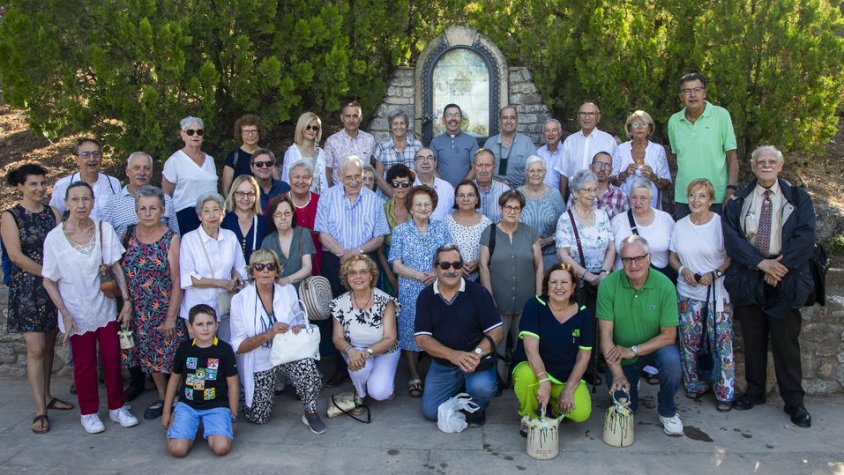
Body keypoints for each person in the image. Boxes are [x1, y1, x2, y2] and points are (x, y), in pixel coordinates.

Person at [723, 145, 815, 428]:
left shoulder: (798, 198)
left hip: (786, 277)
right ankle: (754, 391)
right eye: (760, 161)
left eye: (771, 161)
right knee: (753, 339)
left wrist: (778, 267)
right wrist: (761, 264)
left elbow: (806, 236)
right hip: (751, 276)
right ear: (753, 167)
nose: (766, 165)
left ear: (780, 165)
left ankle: (794, 401)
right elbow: (732, 239)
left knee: (786, 343)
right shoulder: (739, 200)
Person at [41, 181, 139, 434]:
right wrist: (64, 313)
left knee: (112, 358)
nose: (81, 204)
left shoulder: (104, 229)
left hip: (104, 307)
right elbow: (49, 280)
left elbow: (116, 266)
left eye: (86, 199)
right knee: (84, 364)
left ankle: (117, 407)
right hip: (76, 310)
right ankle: (89, 412)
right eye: (75, 199)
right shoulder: (54, 239)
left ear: (93, 202)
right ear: (66, 203)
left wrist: (126, 301)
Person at [2, 164, 71, 434]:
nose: (40, 188)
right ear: (20, 186)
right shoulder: (10, 216)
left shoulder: (53, 213)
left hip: (53, 288)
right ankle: (40, 410)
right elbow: (15, 256)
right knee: (36, 348)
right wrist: (47, 274)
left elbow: (62, 246)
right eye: (33, 184)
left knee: (50, 344)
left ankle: (48, 395)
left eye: (43, 183)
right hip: (28, 288)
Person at [229, 250, 326, 432]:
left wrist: (297, 327)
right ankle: (260, 393)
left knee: (308, 369)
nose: (265, 270)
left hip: (288, 353)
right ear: (252, 272)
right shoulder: (240, 300)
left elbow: (298, 320)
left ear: (276, 271)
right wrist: (268, 334)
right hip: (260, 359)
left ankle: (310, 411)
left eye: (270, 266)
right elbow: (238, 347)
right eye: (260, 266)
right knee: (259, 417)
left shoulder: (287, 291)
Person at [314, 155, 389, 387]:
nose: (355, 181)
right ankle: (342, 366)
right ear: (339, 176)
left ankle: (368, 360)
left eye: (358, 176)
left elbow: (379, 237)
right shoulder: (327, 197)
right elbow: (322, 233)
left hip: (365, 262)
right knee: (339, 312)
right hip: (335, 261)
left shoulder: (374, 200)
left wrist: (356, 253)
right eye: (349, 177)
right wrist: (344, 254)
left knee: (365, 309)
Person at [597, 235, 683, 437]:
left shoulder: (665, 285)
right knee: (626, 406)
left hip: (653, 349)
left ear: (649, 257)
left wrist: (633, 350)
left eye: (639, 258)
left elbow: (669, 336)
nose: (633, 264)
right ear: (621, 261)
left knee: (672, 362)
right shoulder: (608, 285)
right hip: (621, 354)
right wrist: (618, 374)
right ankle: (629, 380)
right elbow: (605, 336)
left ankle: (668, 410)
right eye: (627, 259)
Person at [416, 244, 504, 426]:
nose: (452, 270)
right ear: (435, 269)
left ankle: (477, 405)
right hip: (443, 363)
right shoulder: (426, 296)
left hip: (475, 361)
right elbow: (422, 339)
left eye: (457, 265)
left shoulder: (479, 293)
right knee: (431, 412)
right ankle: (461, 391)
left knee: (482, 389)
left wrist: (476, 354)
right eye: (445, 265)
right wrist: (453, 355)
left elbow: (497, 331)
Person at [120, 185, 187, 420]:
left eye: (153, 208)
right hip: (138, 310)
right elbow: (120, 268)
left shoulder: (171, 238)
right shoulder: (129, 234)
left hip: (164, 308)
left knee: (172, 356)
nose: (147, 213)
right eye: (142, 208)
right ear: (136, 210)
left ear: (162, 210)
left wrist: (171, 317)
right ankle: (162, 397)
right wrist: (126, 302)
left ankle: (178, 399)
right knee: (149, 357)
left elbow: (178, 280)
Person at [669, 178, 733, 412]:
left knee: (721, 342)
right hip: (688, 291)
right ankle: (694, 383)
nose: (696, 200)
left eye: (702, 196)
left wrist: (715, 273)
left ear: (711, 200)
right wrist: (683, 270)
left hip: (716, 292)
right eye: (692, 195)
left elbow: (731, 256)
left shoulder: (720, 224)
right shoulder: (680, 225)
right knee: (689, 342)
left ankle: (724, 391)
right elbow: (673, 256)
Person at [511, 264, 593, 437]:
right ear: (546, 286)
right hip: (535, 370)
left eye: (564, 282)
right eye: (553, 282)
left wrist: (569, 389)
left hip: (564, 375)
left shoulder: (583, 314)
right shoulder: (535, 305)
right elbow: (530, 349)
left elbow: (584, 355)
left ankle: (553, 404)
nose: (558, 287)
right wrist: (543, 379)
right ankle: (530, 416)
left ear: (573, 287)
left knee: (581, 412)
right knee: (526, 377)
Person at [389, 185, 452, 397]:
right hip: (410, 290)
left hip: (438, 288)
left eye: (427, 204)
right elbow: (396, 265)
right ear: (410, 207)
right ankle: (414, 374)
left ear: (433, 206)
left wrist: (437, 274)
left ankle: (437, 374)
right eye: (419, 205)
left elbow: (449, 257)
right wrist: (419, 275)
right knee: (409, 330)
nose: (423, 208)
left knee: (439, 329)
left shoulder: (441, 228)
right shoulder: (400, 231)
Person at [479, 190, 543, 381]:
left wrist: (539, 296)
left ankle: (521, 381)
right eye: (508, 207)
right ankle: (499, 380)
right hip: (499, 300)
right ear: (501, 209)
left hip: (526, 301)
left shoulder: (530, 232)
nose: (512, 211)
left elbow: (539, 265)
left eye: (517, 208)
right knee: (498, 343)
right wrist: (489, 297)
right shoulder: (489, 232)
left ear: (521, 211)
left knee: (524, 344)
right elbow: (483, 265)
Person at [162, 305, 239, 457]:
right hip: (188, 405)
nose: (205, 328)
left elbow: (233, 385)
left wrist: (234, 417)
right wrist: (166, 412)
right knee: (177, 450)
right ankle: (179, 420)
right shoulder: (184, 348)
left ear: (216, 325)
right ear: (190, 327)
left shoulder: (224, 350)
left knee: (221, 448)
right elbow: (174, 381)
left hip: (216, 406)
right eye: (199, 324)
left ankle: (210, 425)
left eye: (209, 323)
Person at [668, 72, 738, 219]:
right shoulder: (674, 121)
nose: (692, 95)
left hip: (715, 196)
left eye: (697, 89)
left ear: (704, 93)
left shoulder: (721, 115)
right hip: (685, 198)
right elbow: (679, 156)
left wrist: (731, 189)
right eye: (687, 91)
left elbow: (732, 157)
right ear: (681, 96)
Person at [179, 193, 247, 343]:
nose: (212, 215)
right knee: (201, 353)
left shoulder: (230, 237)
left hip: (226, 308)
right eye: (206, 211)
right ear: (199, 216)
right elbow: (188, 278)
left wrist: (237, 274)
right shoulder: (189, 239)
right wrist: (221, 283)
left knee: (226, 350)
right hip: (198, 310)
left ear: (223, 213)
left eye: (216, 209)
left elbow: (241, 268)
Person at [331, 255, 400, 402]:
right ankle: (360, 393)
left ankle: (381, 385)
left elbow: (390, 338)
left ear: (371, 275)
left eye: (363, 272)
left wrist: (366, 353)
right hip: (355, 349)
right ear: (346, 277)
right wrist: (351, 351)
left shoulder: (385, 301)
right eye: (352, 272)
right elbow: (337, 338)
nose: (358, 276)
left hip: (385, 351)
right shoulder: (339, 303)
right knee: (359, 370)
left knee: (379, 393)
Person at [555, 170, 615, 314]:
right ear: (575, 193)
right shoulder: (565, 219)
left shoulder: (602, 215)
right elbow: (562, 254)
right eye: (588, 190)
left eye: (595, 190)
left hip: (602, 283)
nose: (592, 194)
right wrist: (588, 276)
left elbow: (611, 248)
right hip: (577, 285)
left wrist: (604, 273)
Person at [102, 151, 180, 238]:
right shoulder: (113, 203)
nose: (142, 173)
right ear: (127, 171)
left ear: (151, 172)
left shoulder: (165, 200)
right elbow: (104, 238)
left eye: (146, 168)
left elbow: (176, 236)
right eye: (137, 168)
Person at [162, 117, 218, 234]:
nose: (195, 135)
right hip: (185, 216)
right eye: (190, 132)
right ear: (182, 135)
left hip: (211, 216)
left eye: (199, 132)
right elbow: (166, 194)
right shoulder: (174, 161)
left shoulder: (210, 160)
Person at [610, 178, 674, 275]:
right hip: (624, 277)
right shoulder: (618, 221)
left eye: (643, 198)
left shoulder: (665, 219)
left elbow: (674, 252)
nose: (638, 202)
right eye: (634, 197)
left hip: (657, 278)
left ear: (651, 200)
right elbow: (609, 252)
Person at [556, 102, 618, 200]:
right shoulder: (570, 141)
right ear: (578, 117)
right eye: (583, 113)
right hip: (574, 195)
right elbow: (563, 174)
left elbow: (613, 173)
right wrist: (562, 201)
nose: (587, 117)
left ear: (598, 117)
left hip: (599, 196)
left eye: (591, 114)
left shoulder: (608, 141)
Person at [49, 138, 121, 220]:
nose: (92, 159)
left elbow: (119, 215)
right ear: (77, 159)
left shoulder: (113, 184)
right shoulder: (63, 185)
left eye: (96, 154)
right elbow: (54, 217)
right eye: (86, 155)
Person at [613, 111, 671, 210]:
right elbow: (611, 181)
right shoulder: (621, 149)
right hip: (624, 206)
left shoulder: (658, 150)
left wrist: (652, 176)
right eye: (635, 124)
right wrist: (625, 173)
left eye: (644, 124)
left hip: (651, 207)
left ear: (649, 129)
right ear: (630, 129)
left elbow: (666, 184)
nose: (639, 127)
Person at [518, 155, 566, 269]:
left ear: (545, 173)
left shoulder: (555, 194)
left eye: (539, 170)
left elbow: (564, 226)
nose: (536, 174)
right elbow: (510, 225)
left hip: (550, 253)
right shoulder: (517, 194)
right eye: (532, 171)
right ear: (526, 173)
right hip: (523, 253)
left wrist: (549, 240)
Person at [261, 195, 315, 288]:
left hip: (302, 292)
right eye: (278, 214)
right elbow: (264, 272)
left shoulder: (303, 234)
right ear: (272, 217)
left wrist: (288, 279)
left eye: (287, 213)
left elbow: (307, 267)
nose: (283, 217)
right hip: (278, 292)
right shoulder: (267, 241)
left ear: (293, 214)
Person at [377, 164, 415, 293]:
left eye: (404, 184)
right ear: (390, 185)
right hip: (390, 267)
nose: (400, 188)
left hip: (415, 268)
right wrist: (391, 279)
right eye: (395, 184)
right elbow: (380, 251)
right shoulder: (383, 210)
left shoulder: (418, 209)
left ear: (411, 185)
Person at [444, 180, 492, 282]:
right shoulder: (445, 223)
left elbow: (492, 252)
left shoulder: (486, 223)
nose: (466, 199)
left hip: (479, 279)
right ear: (456, 199)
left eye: (470, 195)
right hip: (451, 278)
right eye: (461, 195)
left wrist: (479, 262)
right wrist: (456, 263)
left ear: (477, 199)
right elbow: (441, 251)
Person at [324, 100, 377, 187]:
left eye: (355, 116)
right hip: (340, 192)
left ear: (361, 117)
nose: (351, 120)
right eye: (348, 116)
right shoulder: (332, 141)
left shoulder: (369, 140)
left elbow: (374, 167)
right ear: (342, 118)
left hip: (364, 191)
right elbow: (328, 171)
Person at [482, 105, 536, 188]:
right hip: (493, 189)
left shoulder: (527, 142)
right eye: (505, 118)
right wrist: (498, 182)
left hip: (520, 190)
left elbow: (534, 169)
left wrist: (523, 190)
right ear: (499, 121)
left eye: (512, 118)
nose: (509, 121)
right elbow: (482, 170)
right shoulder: (490, 143)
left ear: (517, 121)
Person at [285, 160, 323, 275]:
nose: (301, 181)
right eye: (297, 177)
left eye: (305, 177)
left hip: (318, 261)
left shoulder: (322, 202)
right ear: (290, 178)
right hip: (287, 262)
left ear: (312, 180)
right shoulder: (279, 202)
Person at [373, 108, 422, 197]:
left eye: (402, 123)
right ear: (390, 127)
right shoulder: (382, 148)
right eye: (395, 124)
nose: (399, 126)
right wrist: (393, 196)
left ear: (407, 125)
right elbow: (378, 177)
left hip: (412, 197)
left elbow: (421, 172)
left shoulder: (417, 146)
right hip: (387, 197)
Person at [567, 151, 629, 220]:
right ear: (591, 167)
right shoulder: (577, 194)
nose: (602, 168)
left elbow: (626, 223)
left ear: (611, 171)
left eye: (607, 165)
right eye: (598, 164)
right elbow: (568, 221)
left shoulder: (621, 196)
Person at [430, 103, 478, 187]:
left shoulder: (471, 141)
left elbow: (475, 167)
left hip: (466, 189)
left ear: (461, 119)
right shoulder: (435, 142)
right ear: (444, 120)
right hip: (442, 189)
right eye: (449, 115)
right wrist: (444, 187)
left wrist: (461, 187)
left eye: (457, 115)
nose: (453, 118)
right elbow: (432, 167)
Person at [222, 175, 267, 264]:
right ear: (233, 194)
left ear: (256, 196)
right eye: (240, 193)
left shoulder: (263, 222)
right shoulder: (223, 220)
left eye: (250, 194)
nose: (246, 198)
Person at [282, 112, 330, 195]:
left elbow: (324, 182)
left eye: (315, 128)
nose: (311, 130)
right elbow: (286, 181)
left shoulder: (321, 153)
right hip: (299, 199)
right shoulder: (292, 152)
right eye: (308, 127)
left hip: (320, 199)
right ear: (301, 127)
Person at [222, 114, 264, 196]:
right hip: (240, 202)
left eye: (253, 131)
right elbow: (225, 190)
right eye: (246, 132)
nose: (250, 135)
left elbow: (275, 184)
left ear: (259, 132)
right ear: (240, 134)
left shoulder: (267, 156)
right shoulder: (233, 158)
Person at [413, 147, 454, 221]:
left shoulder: (447, 188)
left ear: (435, 164)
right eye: (421, 158)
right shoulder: (408, 188)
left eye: (430, 158)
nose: (425, 162)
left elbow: (455, 215)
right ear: (414, 163)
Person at [473, 148, 511, 224]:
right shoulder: (465, 191)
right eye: (480, 165)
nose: (484, 170)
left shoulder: (505, 191)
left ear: (494, 167)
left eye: (488, 165)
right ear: (473, 167)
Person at [536, 118, 564, 192]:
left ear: (560, 133)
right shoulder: (538, 153)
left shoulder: (565, 152)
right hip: (540, 194)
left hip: (559, 195)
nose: (550, 134)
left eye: (554, 130)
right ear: (544, 134)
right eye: (547, 131)